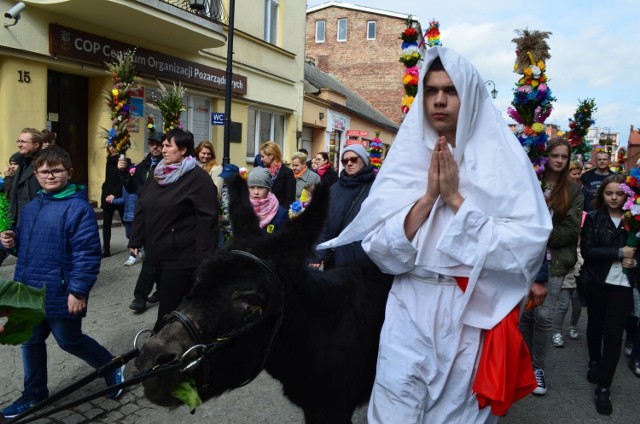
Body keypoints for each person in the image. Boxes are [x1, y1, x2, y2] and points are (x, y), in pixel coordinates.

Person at [319, 47, 552, 422]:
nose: (439, 100)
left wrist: (457, 200)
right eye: (431, 90)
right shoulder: (407, 155)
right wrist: (428, 198)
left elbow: (525, 248)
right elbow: (378, 248)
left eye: (450, 90)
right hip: (410, 304)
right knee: (396, 405)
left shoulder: (503, 159)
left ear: (470, 94)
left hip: (468, 312)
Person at [0, 146, 124, 419]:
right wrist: (10, 242)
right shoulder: (33, 206)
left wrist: (78, 291)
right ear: (36, 175)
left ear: (69, 172)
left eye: (56, 170)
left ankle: (111, 366)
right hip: (29, 291)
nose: (49, 176)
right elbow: (26, 248)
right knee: (29, 342)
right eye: (44, 171)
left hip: (60, 291)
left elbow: (87, 254)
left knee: (69, 340)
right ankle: (34, 394)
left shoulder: (78, 209)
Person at [128, 128, 218, 333]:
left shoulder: (198, 179)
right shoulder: (158, 173)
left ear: (184, 150)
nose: (163, 149)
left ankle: (158, 355)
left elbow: (208, 220)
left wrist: (204, 259)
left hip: (181, 258)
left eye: (169, 145)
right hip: (156, 253)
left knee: (168, 311)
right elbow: (143, 205)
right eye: (163, 145)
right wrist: (136, 238)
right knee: (175, 307)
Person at [520, 137, 583, 395]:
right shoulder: (531, 180)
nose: (559, 160)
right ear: (547, 156)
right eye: (555, 155)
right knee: (525, 314)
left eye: (564, 157)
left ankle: (537, 367)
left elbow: (570, 229)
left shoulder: (573, 189)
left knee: (544, 316)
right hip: (527, 258)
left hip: (555, 260)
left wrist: (540, 232)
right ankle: (521, 363)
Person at [581, 174, 638, 414]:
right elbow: (589, 251)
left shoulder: (634, 219)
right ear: (601, 195)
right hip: (597, 282)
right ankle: (595, 361)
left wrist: (635, 263)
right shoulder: (594, 218)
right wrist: (618, 252)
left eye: (619, 193)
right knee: (595, 326)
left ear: (627, 195)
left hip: (623, 285)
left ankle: (604, 386)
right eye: (609, 193)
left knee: (614, 335)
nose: (614, 198)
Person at [312, 144, 375, 269]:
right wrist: (317, 255)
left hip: (364, 258)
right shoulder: (335, 189)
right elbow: (323, 223)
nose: (349, 163)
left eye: (354, 159)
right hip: (335, 259)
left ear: (364, 160)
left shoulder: (375, 188)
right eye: (345, 161)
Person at [125, 135, 164, 313]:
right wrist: (123, 173)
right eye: (153, 144)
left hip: (163, 218)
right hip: (145, 215)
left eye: (159, 145)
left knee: (154, 259)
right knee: (151, 259)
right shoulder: (143, 165)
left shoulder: (167, 166)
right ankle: (142, 297)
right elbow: (131, 188)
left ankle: (152, 293)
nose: (156, 148)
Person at [100, 144, 130, 258]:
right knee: (106, 224)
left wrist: (115, 194)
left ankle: (135, 246)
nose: (111, 148)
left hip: (118, 196)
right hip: (107, 195)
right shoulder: (109, 160)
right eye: (110, 146)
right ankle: (106, 250)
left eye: (114, 146)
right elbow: (109, 179)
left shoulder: (124, 161)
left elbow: (123, 181)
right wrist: (108, 193)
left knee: (126, 221)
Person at [10, 128, 44, 227]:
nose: (19, 145)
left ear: (36, 145)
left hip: (35, 221)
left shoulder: (44, 164)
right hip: (17, 221)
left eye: (23, 142)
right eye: (19, 141)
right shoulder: (21, 162)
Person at [247, 167, 288, 234]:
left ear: (268, 189)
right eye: (252, 187)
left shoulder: (281, 213)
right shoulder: (242, 211)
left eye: (260, 187)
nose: (256, 192)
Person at [259, 141, 295, 208]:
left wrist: (278, 212)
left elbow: (290, 199)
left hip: (279, 214)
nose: (261, 159)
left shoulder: (287, 173)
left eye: (263, 156)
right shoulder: (263, 172)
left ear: (271, 156)